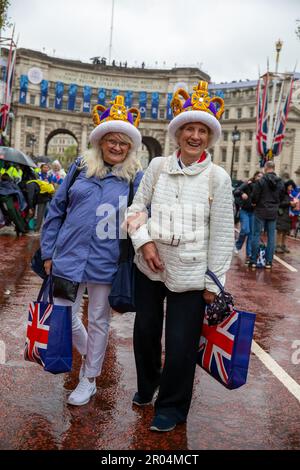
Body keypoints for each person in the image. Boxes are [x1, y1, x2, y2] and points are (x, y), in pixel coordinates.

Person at [126, 81, 234, 432]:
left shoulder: (218, 178)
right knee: (144, 332)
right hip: (150, 265)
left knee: (180, 344)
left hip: (190, 274)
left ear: (209, 137)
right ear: (178, 132)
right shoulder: (156, 167)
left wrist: (213, 284)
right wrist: (144, 243)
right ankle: (148, 384)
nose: (195, 136)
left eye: (202, 130)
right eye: (189, 128)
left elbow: (220, 235)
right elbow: (136, 209)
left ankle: (172, 407)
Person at [41, 95, 143, 406]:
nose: (116, 147)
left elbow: (142, 216)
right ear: (100, 141)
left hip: (106, 261)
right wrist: (48, 253)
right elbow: (56, 210)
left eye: (123, 142)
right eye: (111, 140)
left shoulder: (135, 179)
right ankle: (90, 355)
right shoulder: (79, 168)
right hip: (68, 258)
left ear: (130, 147)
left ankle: (89, 378)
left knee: (99, 319)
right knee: (63, 314)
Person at [250, 160, 285, 269]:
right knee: (271, 237)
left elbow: (255, 196)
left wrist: (255, 202)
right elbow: (282, 197)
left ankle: (254, 260)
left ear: (266, 167)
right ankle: (269, 262)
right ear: (274, 168)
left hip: (260, 210)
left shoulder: (261, 181)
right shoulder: (280, 182)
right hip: (273, 211)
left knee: (256, 235)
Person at [233, 171, 263, 264]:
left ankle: (249, 253)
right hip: (245, 211)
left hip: (254, 212)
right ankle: (237, 246)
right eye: (258, 176)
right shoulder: (248, 184)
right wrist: (242, 193)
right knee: (245, 230)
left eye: (262, 177)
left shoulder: (262, 187)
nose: (260, 178)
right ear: (254, 176)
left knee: (251, 234)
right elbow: (236, 191)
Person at [276, 180, 297, 253]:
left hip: (288, 215)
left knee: (285, 231)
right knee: (280, 231)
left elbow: (290, 204)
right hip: (281, 214)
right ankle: (277, 246)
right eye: (290, 186)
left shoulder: (290, 195)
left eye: (292, 187)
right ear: (287, 186)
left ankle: (283, 245)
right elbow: (279, 203)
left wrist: (294, 205)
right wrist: (289, 203)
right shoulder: (282, 194)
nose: (291, 188)